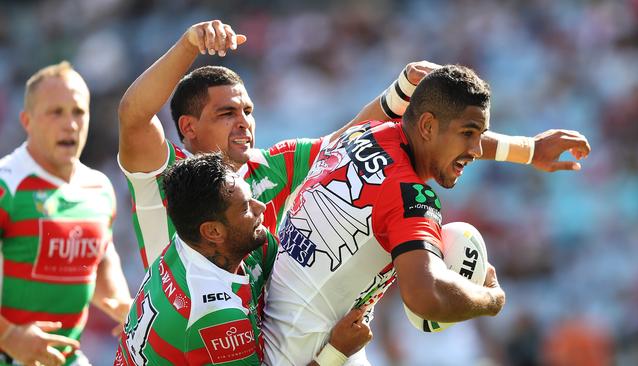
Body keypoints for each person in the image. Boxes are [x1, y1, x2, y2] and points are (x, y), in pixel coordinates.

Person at [117, 19, 591, 269]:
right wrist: (189, 43)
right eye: (226, 113)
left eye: (248, 111)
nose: (244, 122)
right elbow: (133, 116)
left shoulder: (273, 167)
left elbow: (366, 138)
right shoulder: (165, 175)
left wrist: (525, 150)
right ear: (188, 127)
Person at [261, 65, 574, 365]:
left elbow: (449, 127)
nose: (477, 149)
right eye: (469, 133)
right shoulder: (410, 195)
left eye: (480, 134)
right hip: (303, 354)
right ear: (426, 126)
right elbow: (425, 297)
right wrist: (491, 300)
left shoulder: (366, 132)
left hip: (282, 335)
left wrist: (528, 149)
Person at [114, 153, 372, 365]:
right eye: (246, 207)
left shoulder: (198, 243)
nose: (261, 207)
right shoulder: (215, 314)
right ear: (213, 231)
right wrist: (337, 351)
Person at [0, 62, 132, 365]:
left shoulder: (99, 188)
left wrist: (124, 307)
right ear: (27, 121)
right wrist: (9, 336)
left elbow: (100, 259)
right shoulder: (6, 185)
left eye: (78, 112)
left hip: (68, 359)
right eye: (55, 112)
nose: (70, 124)